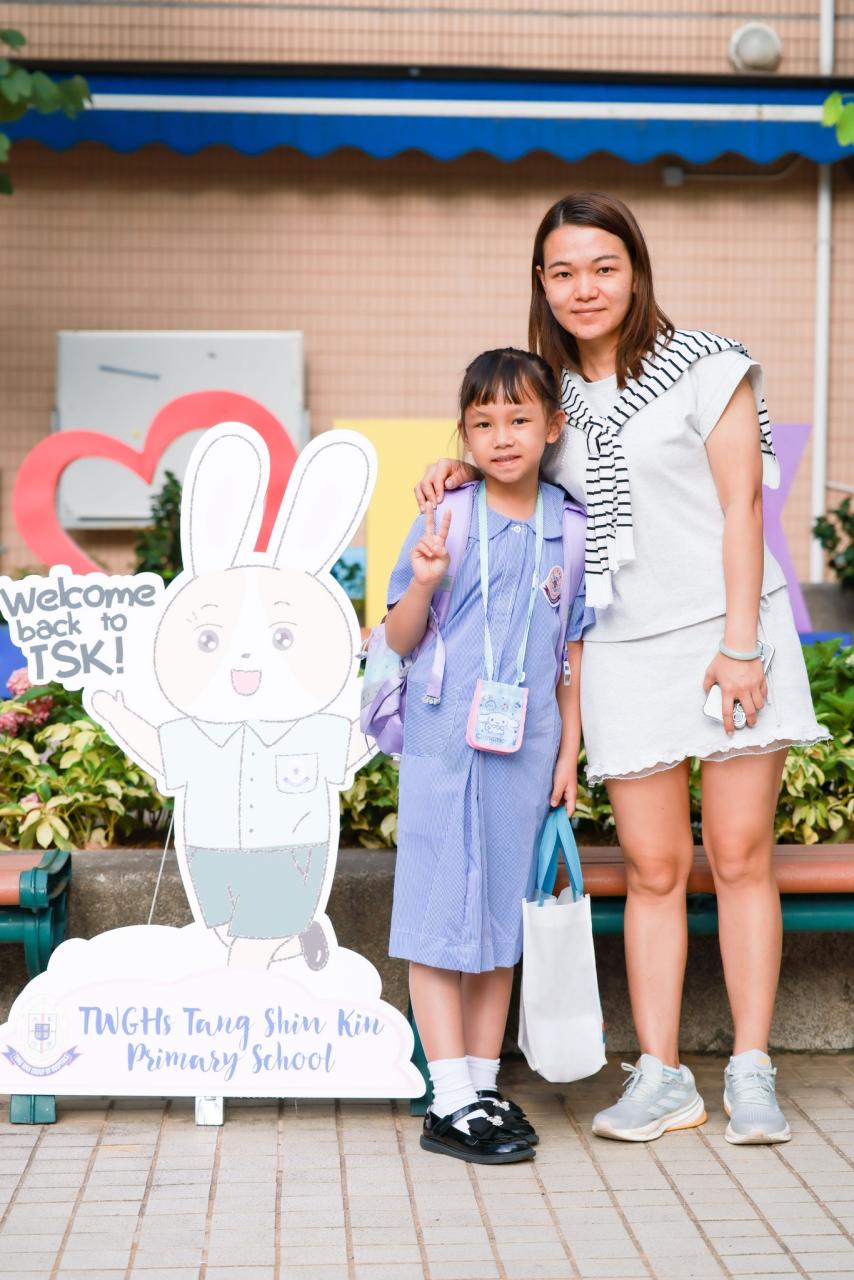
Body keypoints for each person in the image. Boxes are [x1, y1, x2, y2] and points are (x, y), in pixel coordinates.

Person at [415, 193, 829, 1147]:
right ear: (542, 283)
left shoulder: (707, 365)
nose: (584, 288)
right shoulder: (549, 397)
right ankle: (663, 1076)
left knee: (740, 856)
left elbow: (743, 509)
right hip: (619, 650)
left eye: (603, 267)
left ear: (636, 272)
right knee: (652, 867)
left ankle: (752, 1070)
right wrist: (459, 472)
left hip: (730, 634)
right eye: (563, 272)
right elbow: (511, 455)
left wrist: (740, 646)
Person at [386, 347, 590, 1164]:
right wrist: (424, 583)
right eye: (483, 423)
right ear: (463, 433)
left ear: (552, 427)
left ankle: (480, 1083)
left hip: (525, 748)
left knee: (501, 916)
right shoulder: (448, 515)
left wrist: (569, 750)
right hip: (443, 742)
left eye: (518, 419)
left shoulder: (570, 528)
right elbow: (399, 639)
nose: (502, 437)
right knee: (439, 912)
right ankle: (449, 1098)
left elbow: (571, 653)